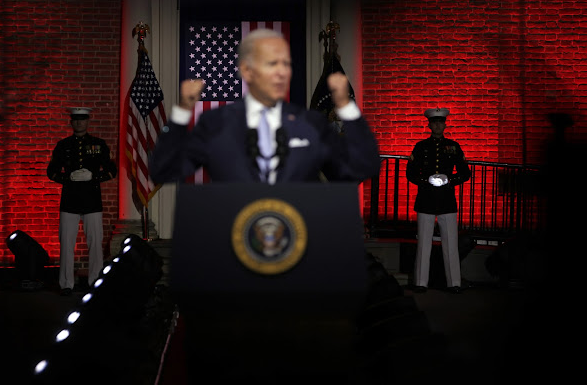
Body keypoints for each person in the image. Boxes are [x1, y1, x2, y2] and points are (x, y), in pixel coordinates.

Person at [149, 28, 380, 185]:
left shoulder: (310, 123)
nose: (281, 72)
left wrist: (347, 109)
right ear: (247, 71)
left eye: (286, 64)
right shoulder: (216, 124)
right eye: (272, 63)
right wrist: (181, 113)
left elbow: (362, 169)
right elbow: (163, 171)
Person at [47, 107, 117, 296]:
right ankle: (66, 284)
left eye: (82, 119)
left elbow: (112, 170)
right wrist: (67, 178)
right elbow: (51, 171)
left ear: (87, 121)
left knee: (95, 244)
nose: (79, 122)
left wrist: (94, 176)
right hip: (69, 200)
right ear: (71, 122)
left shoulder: (98, 144)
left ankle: (95, 282)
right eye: (76, 119)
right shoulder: (63, 145)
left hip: (91, 199)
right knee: (66, 244)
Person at [406, 107, 471, 294]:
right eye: (434, 122)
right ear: (429, 125)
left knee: (451, 243)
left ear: (445, 125)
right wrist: (425, 180)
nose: (437, 125)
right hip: (426, 198)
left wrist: (449, 180)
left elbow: (465, 173)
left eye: (440, 122)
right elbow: (410, 172)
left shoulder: (453, 146)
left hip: (446, 198)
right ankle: (420, 282)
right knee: (423, 243)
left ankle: (454, 282)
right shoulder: (421, 147)